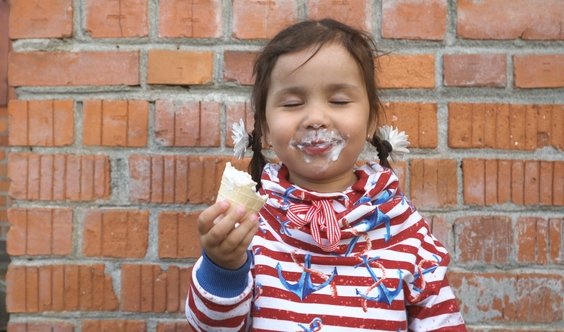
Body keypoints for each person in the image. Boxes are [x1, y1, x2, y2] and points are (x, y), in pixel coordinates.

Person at [186, 18, 466, 331]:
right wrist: (223, 268)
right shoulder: (249, 227)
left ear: (371, 120)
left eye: (339, 101)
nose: (316, 118)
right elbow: (211, 328)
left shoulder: (406, 230)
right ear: (263, 126)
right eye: (293, 103)